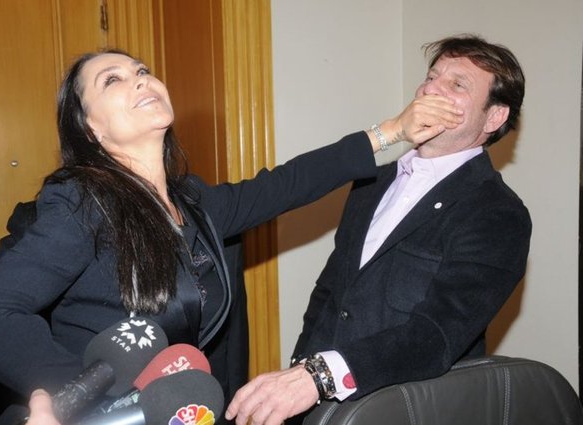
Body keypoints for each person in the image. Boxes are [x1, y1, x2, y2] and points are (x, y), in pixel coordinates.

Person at [0, 49, 463, 424]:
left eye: (142, 71)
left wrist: (393, 131)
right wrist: (84, 396)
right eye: (113, 80)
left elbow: (287, 184)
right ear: (91, 129)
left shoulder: (194, 202)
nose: (140, 80)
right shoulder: (82, 204)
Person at [225, 34, 531, 425]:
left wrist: (320, 375)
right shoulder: (373, 180)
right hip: (318, 407)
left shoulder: (497, 212)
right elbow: (331, 290)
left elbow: (435, 336)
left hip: (406, 410)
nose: (430, 89)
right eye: (431, 77)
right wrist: (303, 366)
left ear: (493, 118)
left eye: (457, 85)